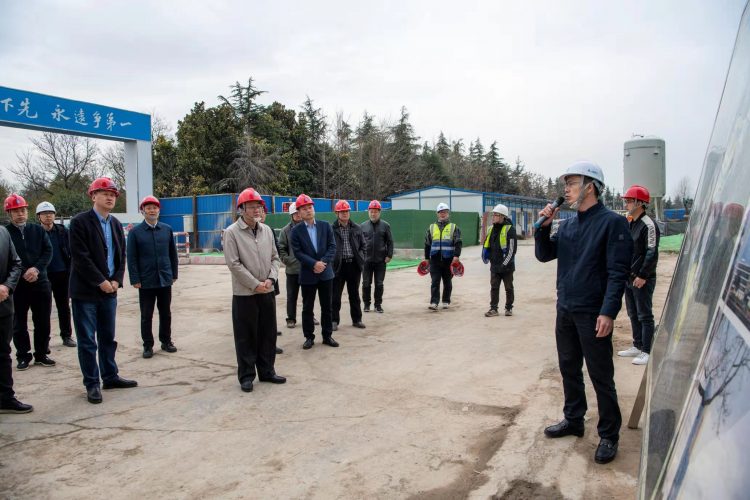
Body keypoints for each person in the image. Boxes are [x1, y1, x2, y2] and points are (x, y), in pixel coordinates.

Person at [535, 161, 632, 465]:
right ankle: (574, 419)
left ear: (591, 186)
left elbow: (618, 272)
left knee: (601, 374)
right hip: (566, 308)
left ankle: (609, 434)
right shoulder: (568, 225)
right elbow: (544, 255)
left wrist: (608, 311)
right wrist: (544, 228)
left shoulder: (612, 223)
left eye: (572, 183)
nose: (566, 189)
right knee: (568, 367)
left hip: (593, 312)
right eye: (565, 184)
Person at [69, 177, 137, 404]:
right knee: (88, 341)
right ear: (93, 196)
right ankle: (92, 383)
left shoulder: (115, 224)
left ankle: (110, 376)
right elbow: (80, 257)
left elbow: (121, 255)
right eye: (105, 193)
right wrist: (100, 281)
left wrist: (117, 279)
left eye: (113, 195)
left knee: (108, 337)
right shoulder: (80, 222)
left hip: (110, 291)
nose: (110, 198)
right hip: (86, 292)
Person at [223, 188, 285, 393]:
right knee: (246, 336)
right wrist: (254, 284)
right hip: (245, 294)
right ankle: (247, 376)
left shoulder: (266, 230)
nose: (256, 210)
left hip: (267, 290)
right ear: (242, 209)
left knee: (268, 333)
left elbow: (275, 258)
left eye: (259, 206)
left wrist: (271, 279)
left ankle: (267, 371)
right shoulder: (231, 232)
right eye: (251, 206)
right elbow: (234, 264)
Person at [4, 194, 54, 370]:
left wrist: (36, 269)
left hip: (40, 282)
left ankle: (41, 354)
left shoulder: (37, 230)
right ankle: (23, 355)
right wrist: (24, 271)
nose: (20, 214)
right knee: (19, 323)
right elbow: (7, 257)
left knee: (43, 320)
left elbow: (48, 251)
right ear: (9, 213)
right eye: (16, 211)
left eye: (23, 210)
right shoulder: (5, 233)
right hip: (18, 285)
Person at [126, 196, 179, 359]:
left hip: (165, 279)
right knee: (146, 315)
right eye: (148, 208)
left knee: (166, 313)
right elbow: (132, 257)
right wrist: (135, 279)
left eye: (154, 208)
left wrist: (174, 274)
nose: (152, 210)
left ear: (159, 210)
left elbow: (172, 254)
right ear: (143, 211)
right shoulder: (135, 232)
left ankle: (166, 341)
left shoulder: (167, 229)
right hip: (146, 281)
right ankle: (148, 345)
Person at [617, 185, 660, 366]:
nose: (626, 204)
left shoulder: (648, 225)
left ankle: (646, 350)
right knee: (633, 313)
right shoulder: (631, 223)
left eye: (629, 201)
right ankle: (637, 344)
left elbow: (652, 252)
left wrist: (643, 275)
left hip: (642, 278)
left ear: (639, 203)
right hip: (630, 277)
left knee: (644, 314)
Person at [289, 194, 338, 349]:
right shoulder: (296, 231)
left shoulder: (325, 226)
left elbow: (332, 247)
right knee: (307, 308)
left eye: (310, 207)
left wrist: (322, 263)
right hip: (308, 274)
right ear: (299, 213)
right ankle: (309, 337)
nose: (308, 210)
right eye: (304, 209)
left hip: (325, 273)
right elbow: (298, 252)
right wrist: (313, 264)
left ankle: (327, 335)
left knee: (327, 306)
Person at [0, 225, 32, 413]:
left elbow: (16, 263)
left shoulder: (3, 233)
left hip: (3, 304)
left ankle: (5, 398)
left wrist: (7, 286)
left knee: (3, 354)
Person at [36, 202, 75, 348]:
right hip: (43, 276)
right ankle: (44, 341)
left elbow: (71, 250)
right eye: (44, 214)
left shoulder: (63, 231)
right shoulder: (36, 233)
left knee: (64, 307)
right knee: (43, 309)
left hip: (62, 274)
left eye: (51, 213)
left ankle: (67, 335)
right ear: (39, 217)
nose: (48, 216)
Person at [278, 202, 319, 329]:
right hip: (293, 270)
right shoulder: (285, 230)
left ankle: (310, 316)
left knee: (308, 296)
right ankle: (291, 318)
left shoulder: (309, 228)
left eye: (298, 212)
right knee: (292, 296)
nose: (298, 215)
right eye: (295, 213)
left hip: (308, 269)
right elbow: (281, 248)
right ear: (291, 215)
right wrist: (289, 260)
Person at [331, 200, 366, 331]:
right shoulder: (331, 229)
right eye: (342, 211)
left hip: (353, 265)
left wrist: (362, 257)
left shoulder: (357, 228)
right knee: (335, 295)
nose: (345, 213)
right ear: (337, 213)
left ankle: (357, 319)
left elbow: (363, 245)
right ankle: (334, 320)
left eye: (346, 211)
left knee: (354, 294)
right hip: (338, 266)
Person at [424, 203, 462, 310]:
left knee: (447, 281)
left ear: (448, 213)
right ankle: (434, 302)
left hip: (448, 259)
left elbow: (458, 242)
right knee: (435, 281)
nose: (442, 214)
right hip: (435, 259)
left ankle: (446, 301)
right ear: (437, 214)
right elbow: (427, 244)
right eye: (440, 212)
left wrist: (456, 256)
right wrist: (427, 258)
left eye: (444, 212)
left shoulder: (454, 227)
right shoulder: (431, 228)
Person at [482, 204, 517, 317]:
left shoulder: (510, 229)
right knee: (494, 288)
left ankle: (508, 308)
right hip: (494, 265)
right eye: (493, 215)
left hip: (507, 266)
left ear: (503, 216)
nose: (493, 217)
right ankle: (493, 309)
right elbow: (487, 245)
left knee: (509, 288)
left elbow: (512, 250)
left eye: (496, 215)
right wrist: (485, 255)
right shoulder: (491, 229)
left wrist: (504, 264)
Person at [360, 200, 394, 313]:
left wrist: (389, 255)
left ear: (379, 212)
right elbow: (359, 243)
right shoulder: (363, 226)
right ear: (368, 212)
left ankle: (378, 305)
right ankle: (366, 304)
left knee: (379, 284)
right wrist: (360, 256)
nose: (373, 214)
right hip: (366, 261)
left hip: (380, 260)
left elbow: (390, 242)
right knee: (366, 283)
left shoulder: (385, 226)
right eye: (371, 211)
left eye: (375, 212)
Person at [259, 205, 284, 354]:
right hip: (255, 282)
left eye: (263, 212)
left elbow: (276, 253)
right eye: (259, 211)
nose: (261, 214)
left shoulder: (269, 230)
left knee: (270, 309)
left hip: (271, 277)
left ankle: (271, 338)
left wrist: (272, 276)